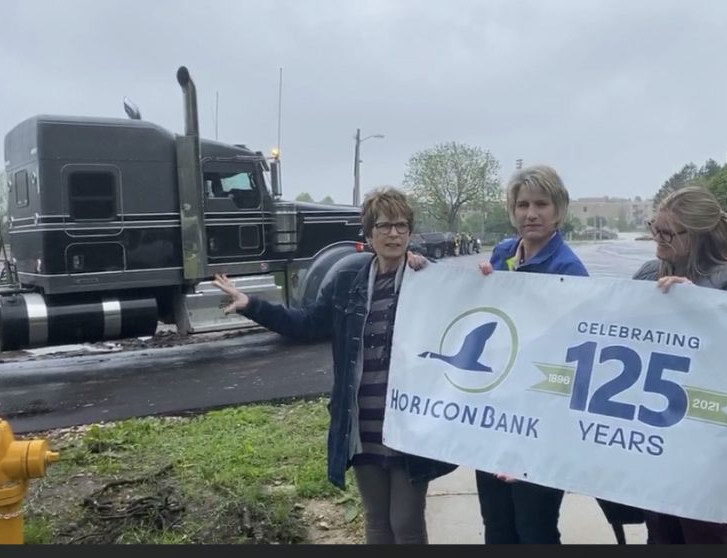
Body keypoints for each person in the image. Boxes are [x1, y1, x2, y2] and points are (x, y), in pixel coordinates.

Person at [212, 186, 455, 544]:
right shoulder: (347, 282)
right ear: (369, 233)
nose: (394, 234)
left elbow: (464, 314)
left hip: (408, 424)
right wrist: (252, 304)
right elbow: (306, 324)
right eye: (385, 226)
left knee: (405, 522)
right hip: (360, 423)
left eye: (402, 226)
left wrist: (476, 276)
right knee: (375, 521)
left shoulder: (427, 281)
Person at [632, 185, 727, 544]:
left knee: (704, 534)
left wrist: (696, 304)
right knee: (660, 532)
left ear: (698, 236)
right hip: (657, 425)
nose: (656, 238)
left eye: (666, 232)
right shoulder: (646, 275)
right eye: (653, 227)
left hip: (711, 434)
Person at [476, 164, 588, 544]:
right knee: (497, 527)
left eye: (541, 204)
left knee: (534, 529)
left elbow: (574, 355)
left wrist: (532, 441)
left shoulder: (569, 270)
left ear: (558, 210)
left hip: (540, 421)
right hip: (494, 414)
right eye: (522, 204)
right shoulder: (503, 254)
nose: (531, 213)